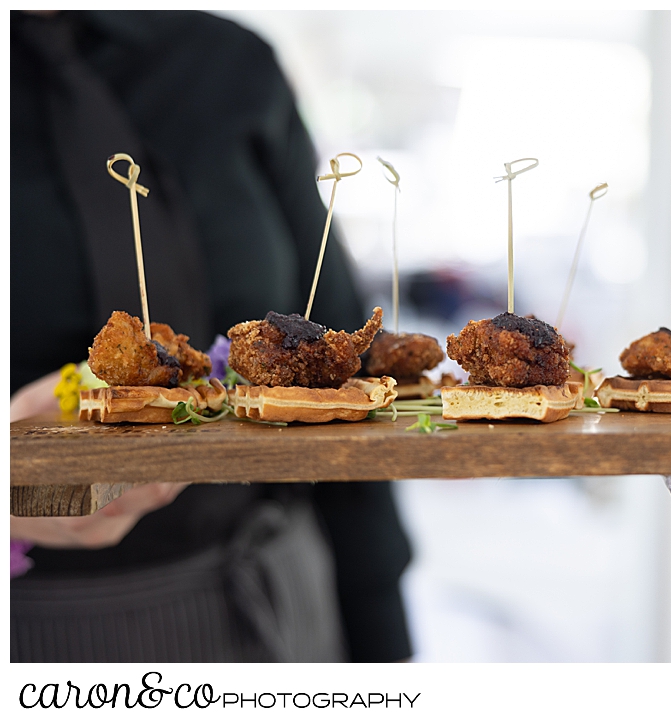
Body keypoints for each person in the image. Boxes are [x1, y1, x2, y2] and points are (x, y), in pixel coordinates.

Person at [10, 10, 413, 663]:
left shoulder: (231, 64)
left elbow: (348, 364)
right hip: (40, 637)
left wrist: (383, 636)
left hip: (283, 595)